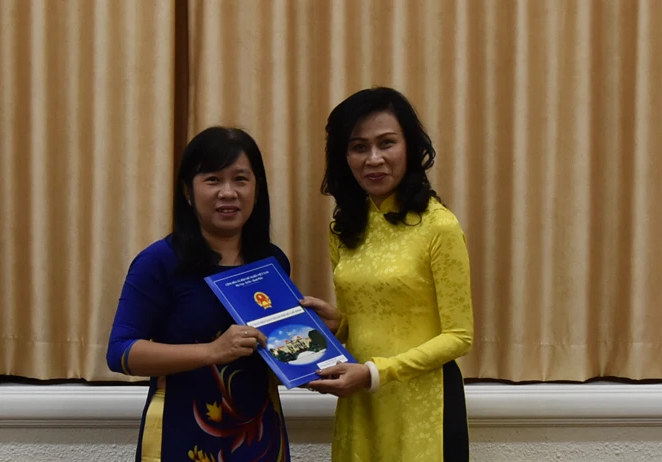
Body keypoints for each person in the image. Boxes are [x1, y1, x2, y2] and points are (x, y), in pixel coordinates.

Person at [300, 87, 475, 461]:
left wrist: (376, 373)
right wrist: (339, 324)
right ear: (344, 156)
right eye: (359, 147)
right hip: (361, 400)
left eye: (386, 143)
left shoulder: (439, 226)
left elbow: (459, 337)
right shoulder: (345, 230)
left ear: (410, 147)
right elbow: (367, 318)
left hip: (423, 403)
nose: (373, 159)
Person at [106, 126, 292, 462]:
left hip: (260, 438)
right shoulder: (159, 262)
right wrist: (212, 351)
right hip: (183, 436)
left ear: (257, 188)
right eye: (213, 180)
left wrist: (318, 337)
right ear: (188, 191)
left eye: (240, 179)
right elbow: (121, 352)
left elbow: (277, 346)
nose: (228, 192)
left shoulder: (272, 262)